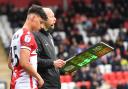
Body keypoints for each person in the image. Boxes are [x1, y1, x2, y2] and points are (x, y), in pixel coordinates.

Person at [8, 5, 46, 89]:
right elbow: (24, 63)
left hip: (15, 82)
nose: (42, 26)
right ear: (33, 18)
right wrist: (39, 78)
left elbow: (10, 64)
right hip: (26, 84)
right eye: (41, 22)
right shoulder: (27, 36)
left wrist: (17, 73)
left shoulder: (16, 34)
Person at [33, 7, 66, 89]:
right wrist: (53, 63)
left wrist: (65, 71)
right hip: (45, 85)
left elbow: (51, 61)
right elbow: (33, 61)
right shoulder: (35, 35)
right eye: (52, 16)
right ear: (42, 18)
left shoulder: (49, 36)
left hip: (55, 85)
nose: (55, 19)